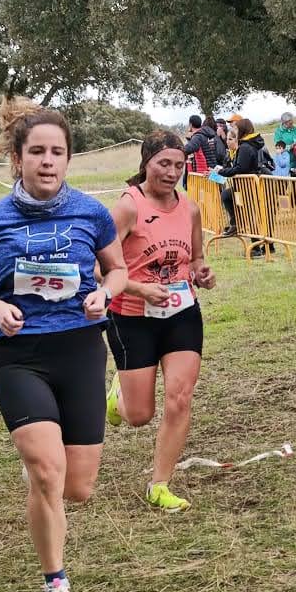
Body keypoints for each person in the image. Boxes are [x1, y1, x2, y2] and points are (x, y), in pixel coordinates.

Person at [0, 105, 128, 592]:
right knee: (48, 472)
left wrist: (103, 293)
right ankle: (56, 585)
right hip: (19, 355)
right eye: (37, 152)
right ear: (17, 158)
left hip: (80, 352)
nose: (48, 162)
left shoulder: (90, 213)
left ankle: (43, 482)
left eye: (57, 153)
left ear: (68, 159)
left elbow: (117, 270)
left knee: (77, 488)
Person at [104, 130, 216, 512]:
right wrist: (138, 289)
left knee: (180, 398)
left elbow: (196, 258)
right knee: (139, 416)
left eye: (179, 165)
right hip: (131, 316)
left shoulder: (191, 207)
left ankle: (160, 484)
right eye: (163, 164)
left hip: (182, 312)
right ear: (146, 163)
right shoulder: (128, 207)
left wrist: (202, 272)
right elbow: (99, 265)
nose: (171, 172)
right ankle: (118, 395)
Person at [228, 114, 274, 257]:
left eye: (235, 126)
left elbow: (240, 168)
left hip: (252, 184)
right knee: (261, 215)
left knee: (255, 215)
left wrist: (222, 172)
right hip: (258, 182)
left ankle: (258, 247)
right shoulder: (254, 143)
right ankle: (267, 245)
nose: (232, 129)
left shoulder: (246, 147)